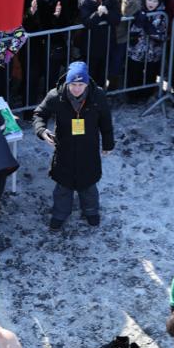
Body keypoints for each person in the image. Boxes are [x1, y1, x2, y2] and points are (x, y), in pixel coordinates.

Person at [32, 59, 114, 230]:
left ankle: (91, 210)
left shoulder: (97, 96)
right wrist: (42, 131)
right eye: (73, 84)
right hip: (64, 148)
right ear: (68, 83)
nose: (77, 88)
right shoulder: (56, 96)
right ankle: (60, 213)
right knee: (63, 184)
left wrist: (108, 143)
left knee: (88, 183)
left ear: (86, 84)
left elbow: (105, 121)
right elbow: (39, 114)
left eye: (81, 84)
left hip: (89, 148)